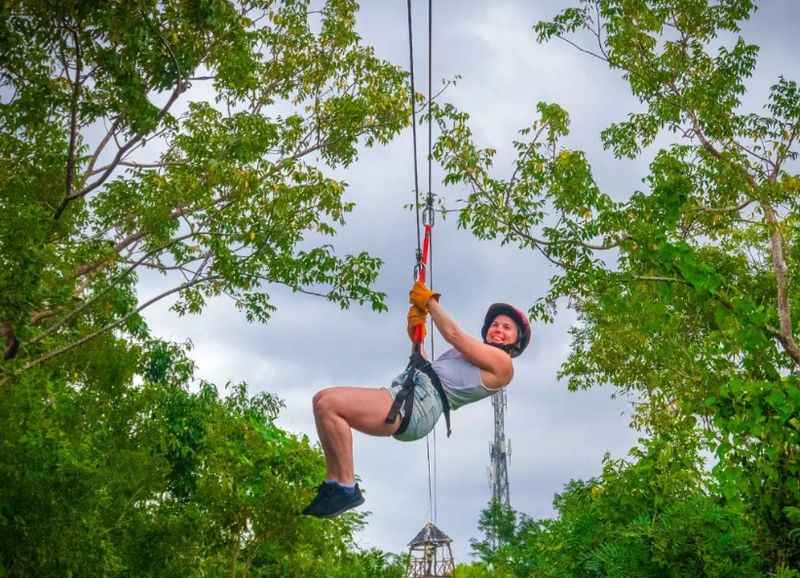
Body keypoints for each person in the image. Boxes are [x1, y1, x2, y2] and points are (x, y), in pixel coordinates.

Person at [301, 281, 531, 518]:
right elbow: (423, 363)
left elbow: (453, 334)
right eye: (495, 324)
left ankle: (346, 487)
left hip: (422, 404)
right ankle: (334, 484)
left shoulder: (503, 365)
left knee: (330, 404)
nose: (498, 329)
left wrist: (429, 301)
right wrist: (416, 332)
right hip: (412, 391)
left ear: (516, 341)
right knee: (322, 401)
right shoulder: (462, 357)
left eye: (507, 328)